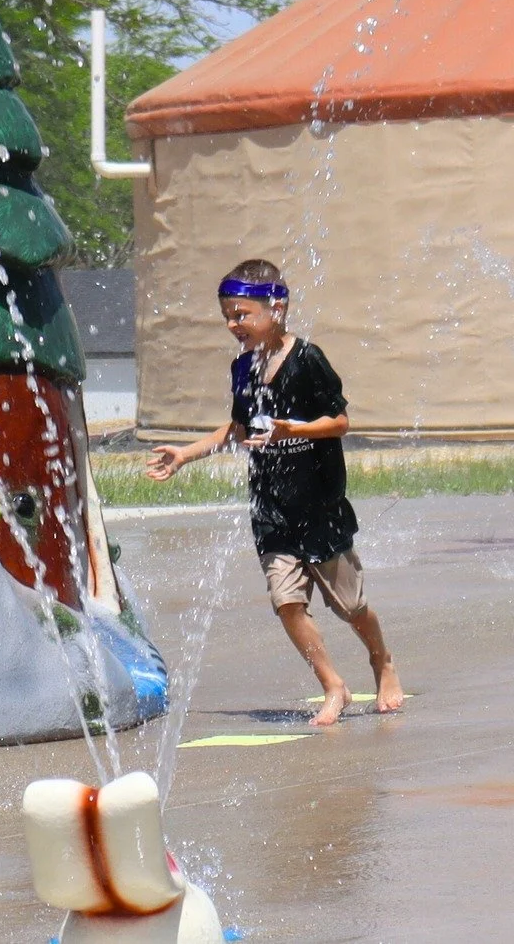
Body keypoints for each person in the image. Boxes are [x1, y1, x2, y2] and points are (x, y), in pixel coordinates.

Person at [147, 259, 404, 726]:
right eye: (227, 315)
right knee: (286, 602)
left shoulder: (309, 360)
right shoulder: (242, 367)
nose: (232, 324)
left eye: (241, 314)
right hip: (270, 505)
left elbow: (341, 422)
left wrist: (294, 429)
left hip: (319, 502)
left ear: (277, 308)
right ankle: (334, 686)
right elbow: (240, 425)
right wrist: (187, 453)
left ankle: (382, 662)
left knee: (352, 606)